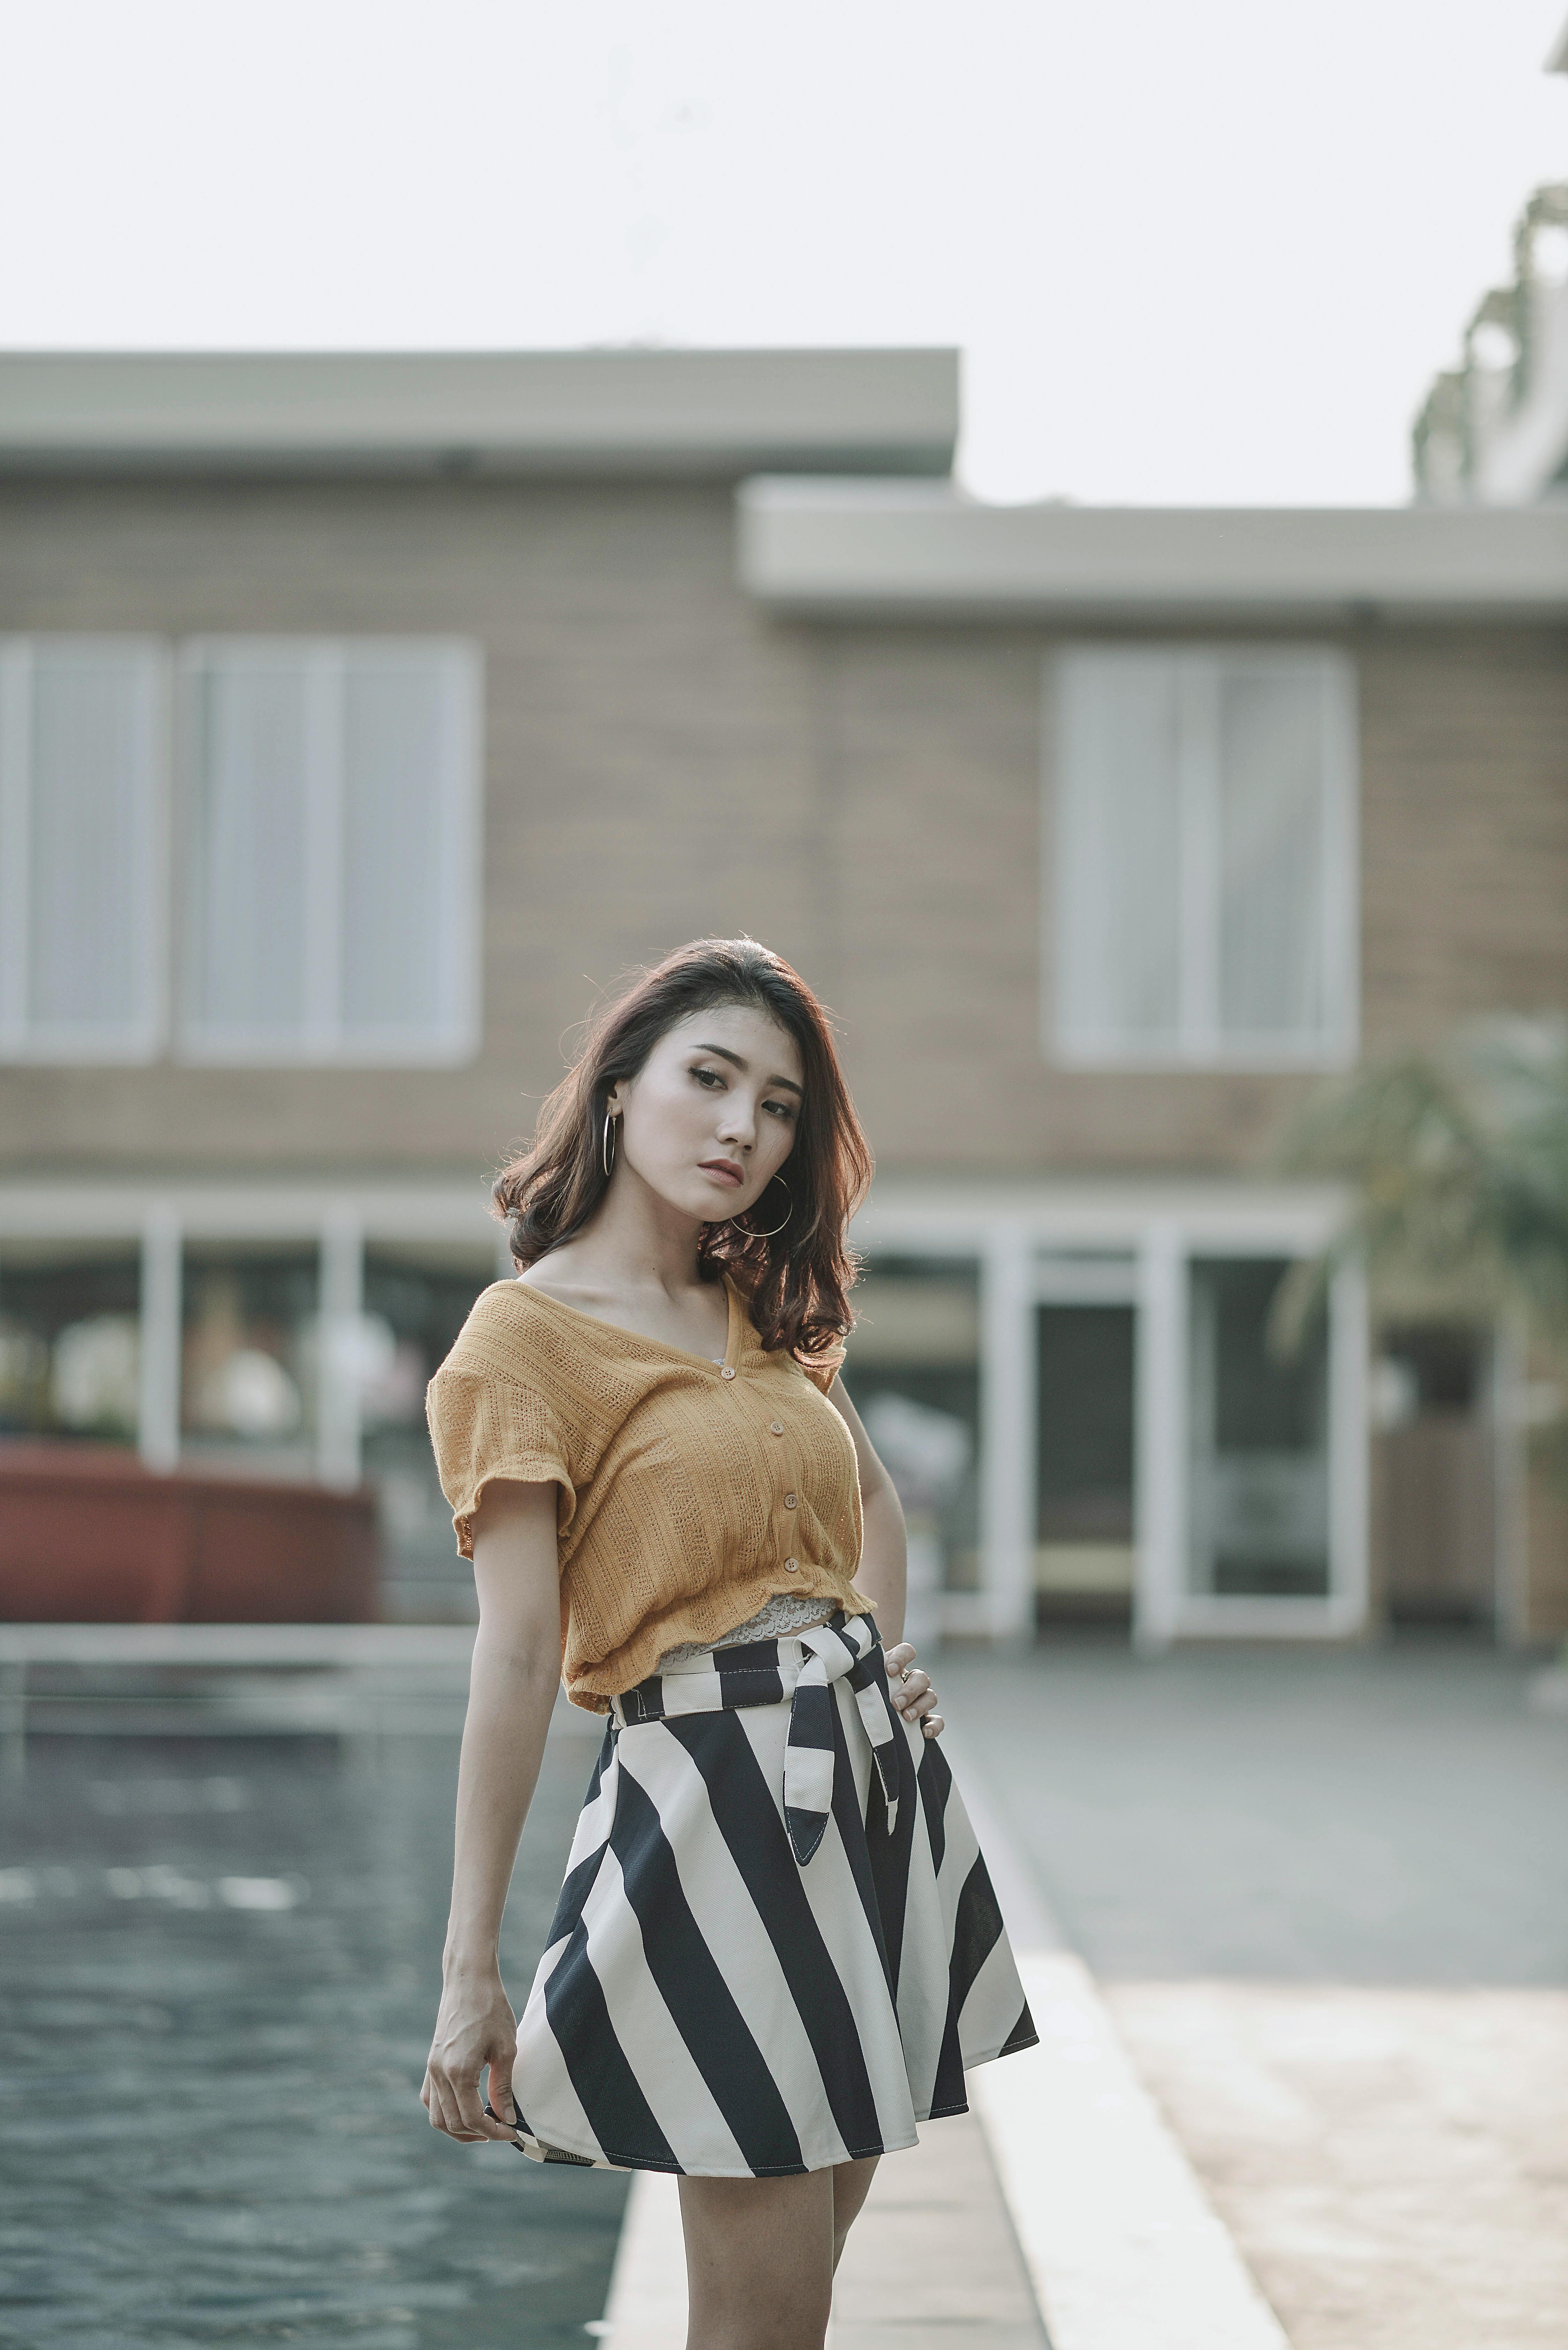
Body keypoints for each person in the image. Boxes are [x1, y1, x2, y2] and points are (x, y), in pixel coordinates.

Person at [421, 937, 1035, 2350]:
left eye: (775, 1105)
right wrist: (471, 1967)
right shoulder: (520, 1340)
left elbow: (871, 1503)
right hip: (709, 1822)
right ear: (620, 1085)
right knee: (764, 2323)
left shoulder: (757, 1312)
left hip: (866, 1805)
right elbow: (514, 1657)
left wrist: (874, 1658)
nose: (742, 1128)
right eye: (710, 1079)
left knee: (800, 2285)